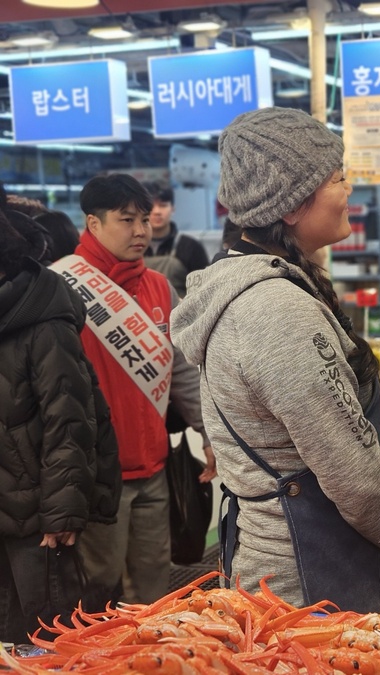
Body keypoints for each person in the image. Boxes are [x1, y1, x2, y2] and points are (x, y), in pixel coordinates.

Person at [170, 107, 380, 612]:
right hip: (307, 585)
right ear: (290, 206)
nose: (349, 189)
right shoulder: (276, 308)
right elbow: (352, 476)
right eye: (338, 178)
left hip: (278, 567)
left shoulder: (249, 285)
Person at [71, 174, 214, 607]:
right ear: (94, 223)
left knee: (152, 587)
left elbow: (182, 371)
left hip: (155, 466)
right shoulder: (65, 287)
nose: (140, 231)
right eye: (126, 220)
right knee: (96, 591)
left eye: (144, 220)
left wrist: (209, 433)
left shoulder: (158, 286)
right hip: (96, 473)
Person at [0, 211, 120, 644]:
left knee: (48, 638)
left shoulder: (42, 316)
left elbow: (69, 418)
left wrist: (63, 512)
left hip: (38, 520)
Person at [142, 181, 210, 297]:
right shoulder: (133, 246)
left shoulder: (190, 247)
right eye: (152, 206)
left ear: (173, 209)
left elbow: (206, 291)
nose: (157, 211)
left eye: (163, 205)